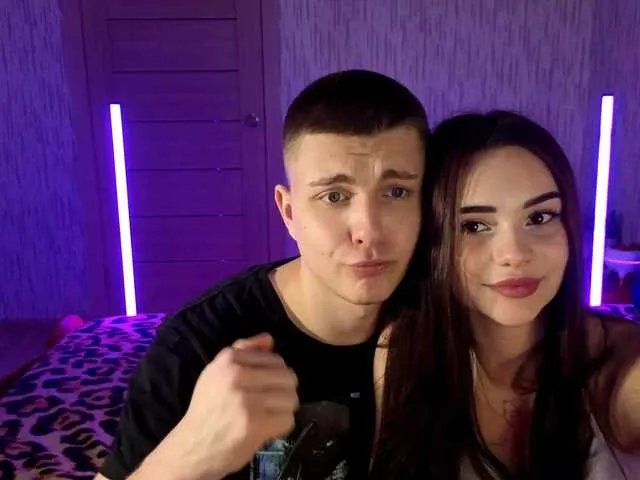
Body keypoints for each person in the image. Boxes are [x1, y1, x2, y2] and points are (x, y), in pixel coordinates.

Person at [95, 69, 428, 480]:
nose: (368, 232)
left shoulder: (438, 316)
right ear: (288, 213)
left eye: (396, 192)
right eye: (334, 196)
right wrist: (190, 453)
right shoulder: (198, 343)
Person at [371, 111, 640, 479]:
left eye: (539, 217)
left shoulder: (618, 367)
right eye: (474, 226)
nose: (514, 253)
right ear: (431, 243)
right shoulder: (404, 351)